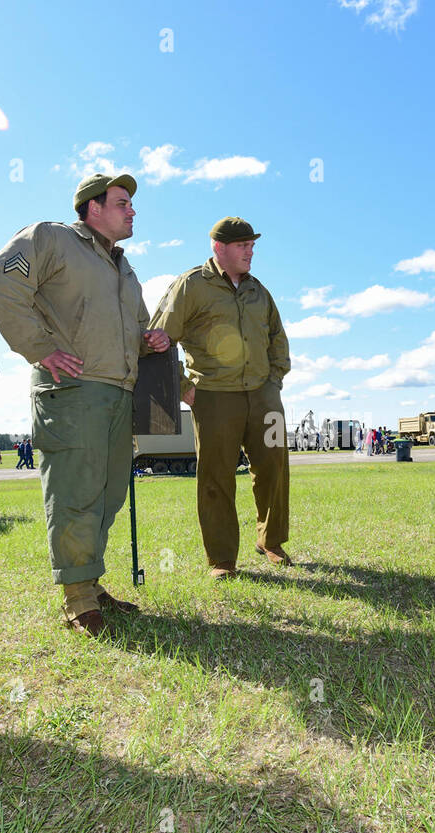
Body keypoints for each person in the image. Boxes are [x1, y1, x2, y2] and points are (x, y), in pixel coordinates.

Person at [0, 173, 169, 634]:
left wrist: (150, 340)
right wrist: (39, 347)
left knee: (108, 494)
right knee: (75, 493)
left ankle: (91, 582)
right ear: (93, 208)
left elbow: (134, 330)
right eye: (123, 202)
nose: (132, 211)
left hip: (120, 392)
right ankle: (76, 598)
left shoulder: (125, 268)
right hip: (72, 391)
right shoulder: (50, 239)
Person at [150, 217, 291, 579]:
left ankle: (270, 541)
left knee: (274, 468)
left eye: (252, 244)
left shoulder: (258, 290)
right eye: (243, 245)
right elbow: (157, 338)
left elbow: (278, 338)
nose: (250, 250)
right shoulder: (191, 285)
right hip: (213, 397)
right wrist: (184, 387)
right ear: (219, 248)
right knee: (216, 477)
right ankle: (223, 560)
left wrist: (274, 379)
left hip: (264, 396)